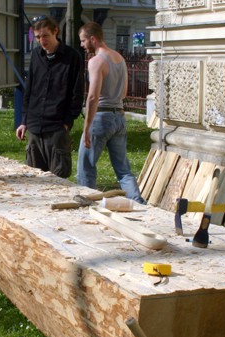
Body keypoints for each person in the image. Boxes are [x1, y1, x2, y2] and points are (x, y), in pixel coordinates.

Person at [77, 22, 146, 204]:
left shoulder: (96, 61)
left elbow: (92, 97)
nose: (82, 45)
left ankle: (86, 205)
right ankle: (138, 203)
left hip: (101, 117)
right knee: (123, 170)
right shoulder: (120, 59)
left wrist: (86, 128)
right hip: (119, 117)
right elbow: (123, 93)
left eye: (83, 41)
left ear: (93, 39)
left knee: (86, 167)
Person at [15, 16, 84, 179]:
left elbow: (77, 92)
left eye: (45, 36)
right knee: (34, 177)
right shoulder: (36, 55)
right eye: (38, 37)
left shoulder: (72, 57)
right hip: (34, 125)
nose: (41, 41)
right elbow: (30, 89)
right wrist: (24, 121)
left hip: (57, 127)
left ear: (55, 32)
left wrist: (67, 122)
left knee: (58, 179)